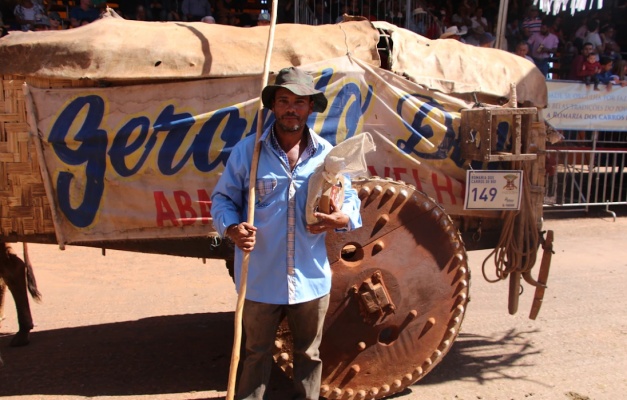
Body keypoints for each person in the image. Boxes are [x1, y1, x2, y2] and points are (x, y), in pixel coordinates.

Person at [210, 67, 362, 400]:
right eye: (284, 101)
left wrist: (342, 216)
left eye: (299, 102)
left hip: (310, 277)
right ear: (273, 106)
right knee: (255, 354)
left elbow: (349, 197)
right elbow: (222, 199)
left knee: (308, 356)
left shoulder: (327, 156)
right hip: (260, 276)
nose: (291, 108)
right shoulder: (248, 152)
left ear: (310, 108)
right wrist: (233, 228)